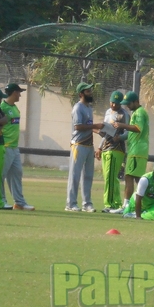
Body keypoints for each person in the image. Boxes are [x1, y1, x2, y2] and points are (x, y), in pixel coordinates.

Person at [66, 82, 103, 212]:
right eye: (87, 91)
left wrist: (98, 131)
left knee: (88, 175)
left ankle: (87, 203)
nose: (90, 93)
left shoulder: (88, 108)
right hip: (79, 145)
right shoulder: (78, 108)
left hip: (88, 146)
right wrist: (95, 126)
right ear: (81, 94)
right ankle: (71, 204)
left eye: (90, 90)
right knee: (75, 175)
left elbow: (88, 126)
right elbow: (78, 126)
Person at [112, 91, 149, 215]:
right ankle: (143, 205)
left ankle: (127, 205)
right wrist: (121, 137)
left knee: (129, 177)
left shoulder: (139, 113)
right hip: (136, 150)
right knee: (139, 180)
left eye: (129, 103)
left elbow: (138, 128)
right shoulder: (138, 113)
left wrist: (122, 125)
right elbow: (133, 133)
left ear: (135, 102)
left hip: (137, 151)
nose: (127, 106)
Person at [0, 82, 34, 211]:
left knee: (17, 173)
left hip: (14, 148)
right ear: (14, 93)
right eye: (19, 92)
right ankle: (0, 200)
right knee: (0, 175)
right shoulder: (2, 107)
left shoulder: (14, 108)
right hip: (5, 146)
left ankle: (19, 203)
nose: (20, 95)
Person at [96, 90, 128, 213]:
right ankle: (116, 202)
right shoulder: (108, 112)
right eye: (112, 102)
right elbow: (105, 131)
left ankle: (108, 204)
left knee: (110, 177)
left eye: (117, 103)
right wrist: (99, 147)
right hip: (106, 147)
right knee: (109, 177)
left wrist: (119, 137)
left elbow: (128, 132)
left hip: (116, 148)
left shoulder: (123, 114)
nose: (114, 105)